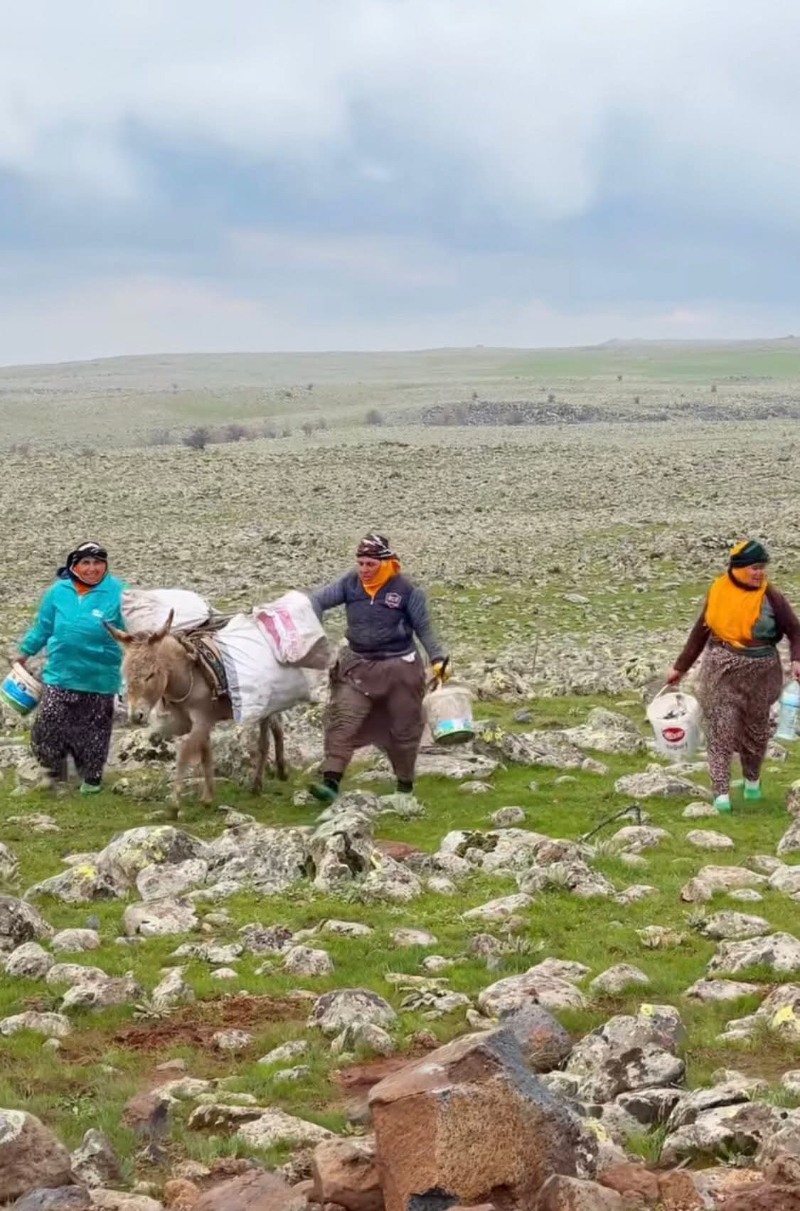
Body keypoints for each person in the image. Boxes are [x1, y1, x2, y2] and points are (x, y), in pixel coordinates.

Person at [309, 532, 448, 802]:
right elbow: (316, 600)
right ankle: (330, 783)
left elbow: (424, 628)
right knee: (342, 720)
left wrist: (437, 658)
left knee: (404, 728)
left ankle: (404, 787)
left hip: (400, 670)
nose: (364, 569)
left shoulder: (407, 590)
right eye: (360, 563)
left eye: (370, 564)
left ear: (385, 563)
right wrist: (315, 633)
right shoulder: (350, 583)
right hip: (358, 668)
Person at [667, 539, 800, 813]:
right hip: (722, 669)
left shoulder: (770, 596)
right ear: (738, 568)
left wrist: (797, 659)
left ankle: (752, 781)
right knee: (721, 727)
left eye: (762, 567)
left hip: (762, 672)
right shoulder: (719, 592)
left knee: (755, 731)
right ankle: (721, 794)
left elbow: (795, 630)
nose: (759, 573)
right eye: (754, 568)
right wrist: (680, 667)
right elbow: (700, 632)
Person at [18, 542, 126, 794]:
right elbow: (43, 628)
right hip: (61, 672)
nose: (92, 568)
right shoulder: (58, 592)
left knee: (95, 730)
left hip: (100, 676)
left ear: (105, 565)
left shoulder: (119, 592)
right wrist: (24, 652)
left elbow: (134, 629)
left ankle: (91, 780)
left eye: (98, 563)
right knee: (48, 721)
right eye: (86, 563)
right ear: (74, 565)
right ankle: (54, 773)